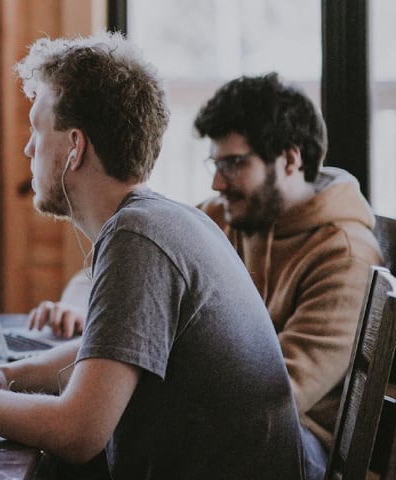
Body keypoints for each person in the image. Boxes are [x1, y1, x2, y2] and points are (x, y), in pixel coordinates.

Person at [0, 33, 306, 479]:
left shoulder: (137, 237)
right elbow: (110, 349)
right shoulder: (165, 220)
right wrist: (5, 375)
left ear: (75, 147)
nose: (28, 148)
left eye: (37, 130)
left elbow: (78, 432)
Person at [27, 72, 383, 474]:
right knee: (64, 445)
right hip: (217, 422)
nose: (217, 182)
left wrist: (104, 379)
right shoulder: (222, 215)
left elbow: (274, 393)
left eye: (233, 164)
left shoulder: (345, 254)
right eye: (214, 163)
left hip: (295, 446)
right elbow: (115, 276)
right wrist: (76, 307)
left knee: (80, 438)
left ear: (289, 159)